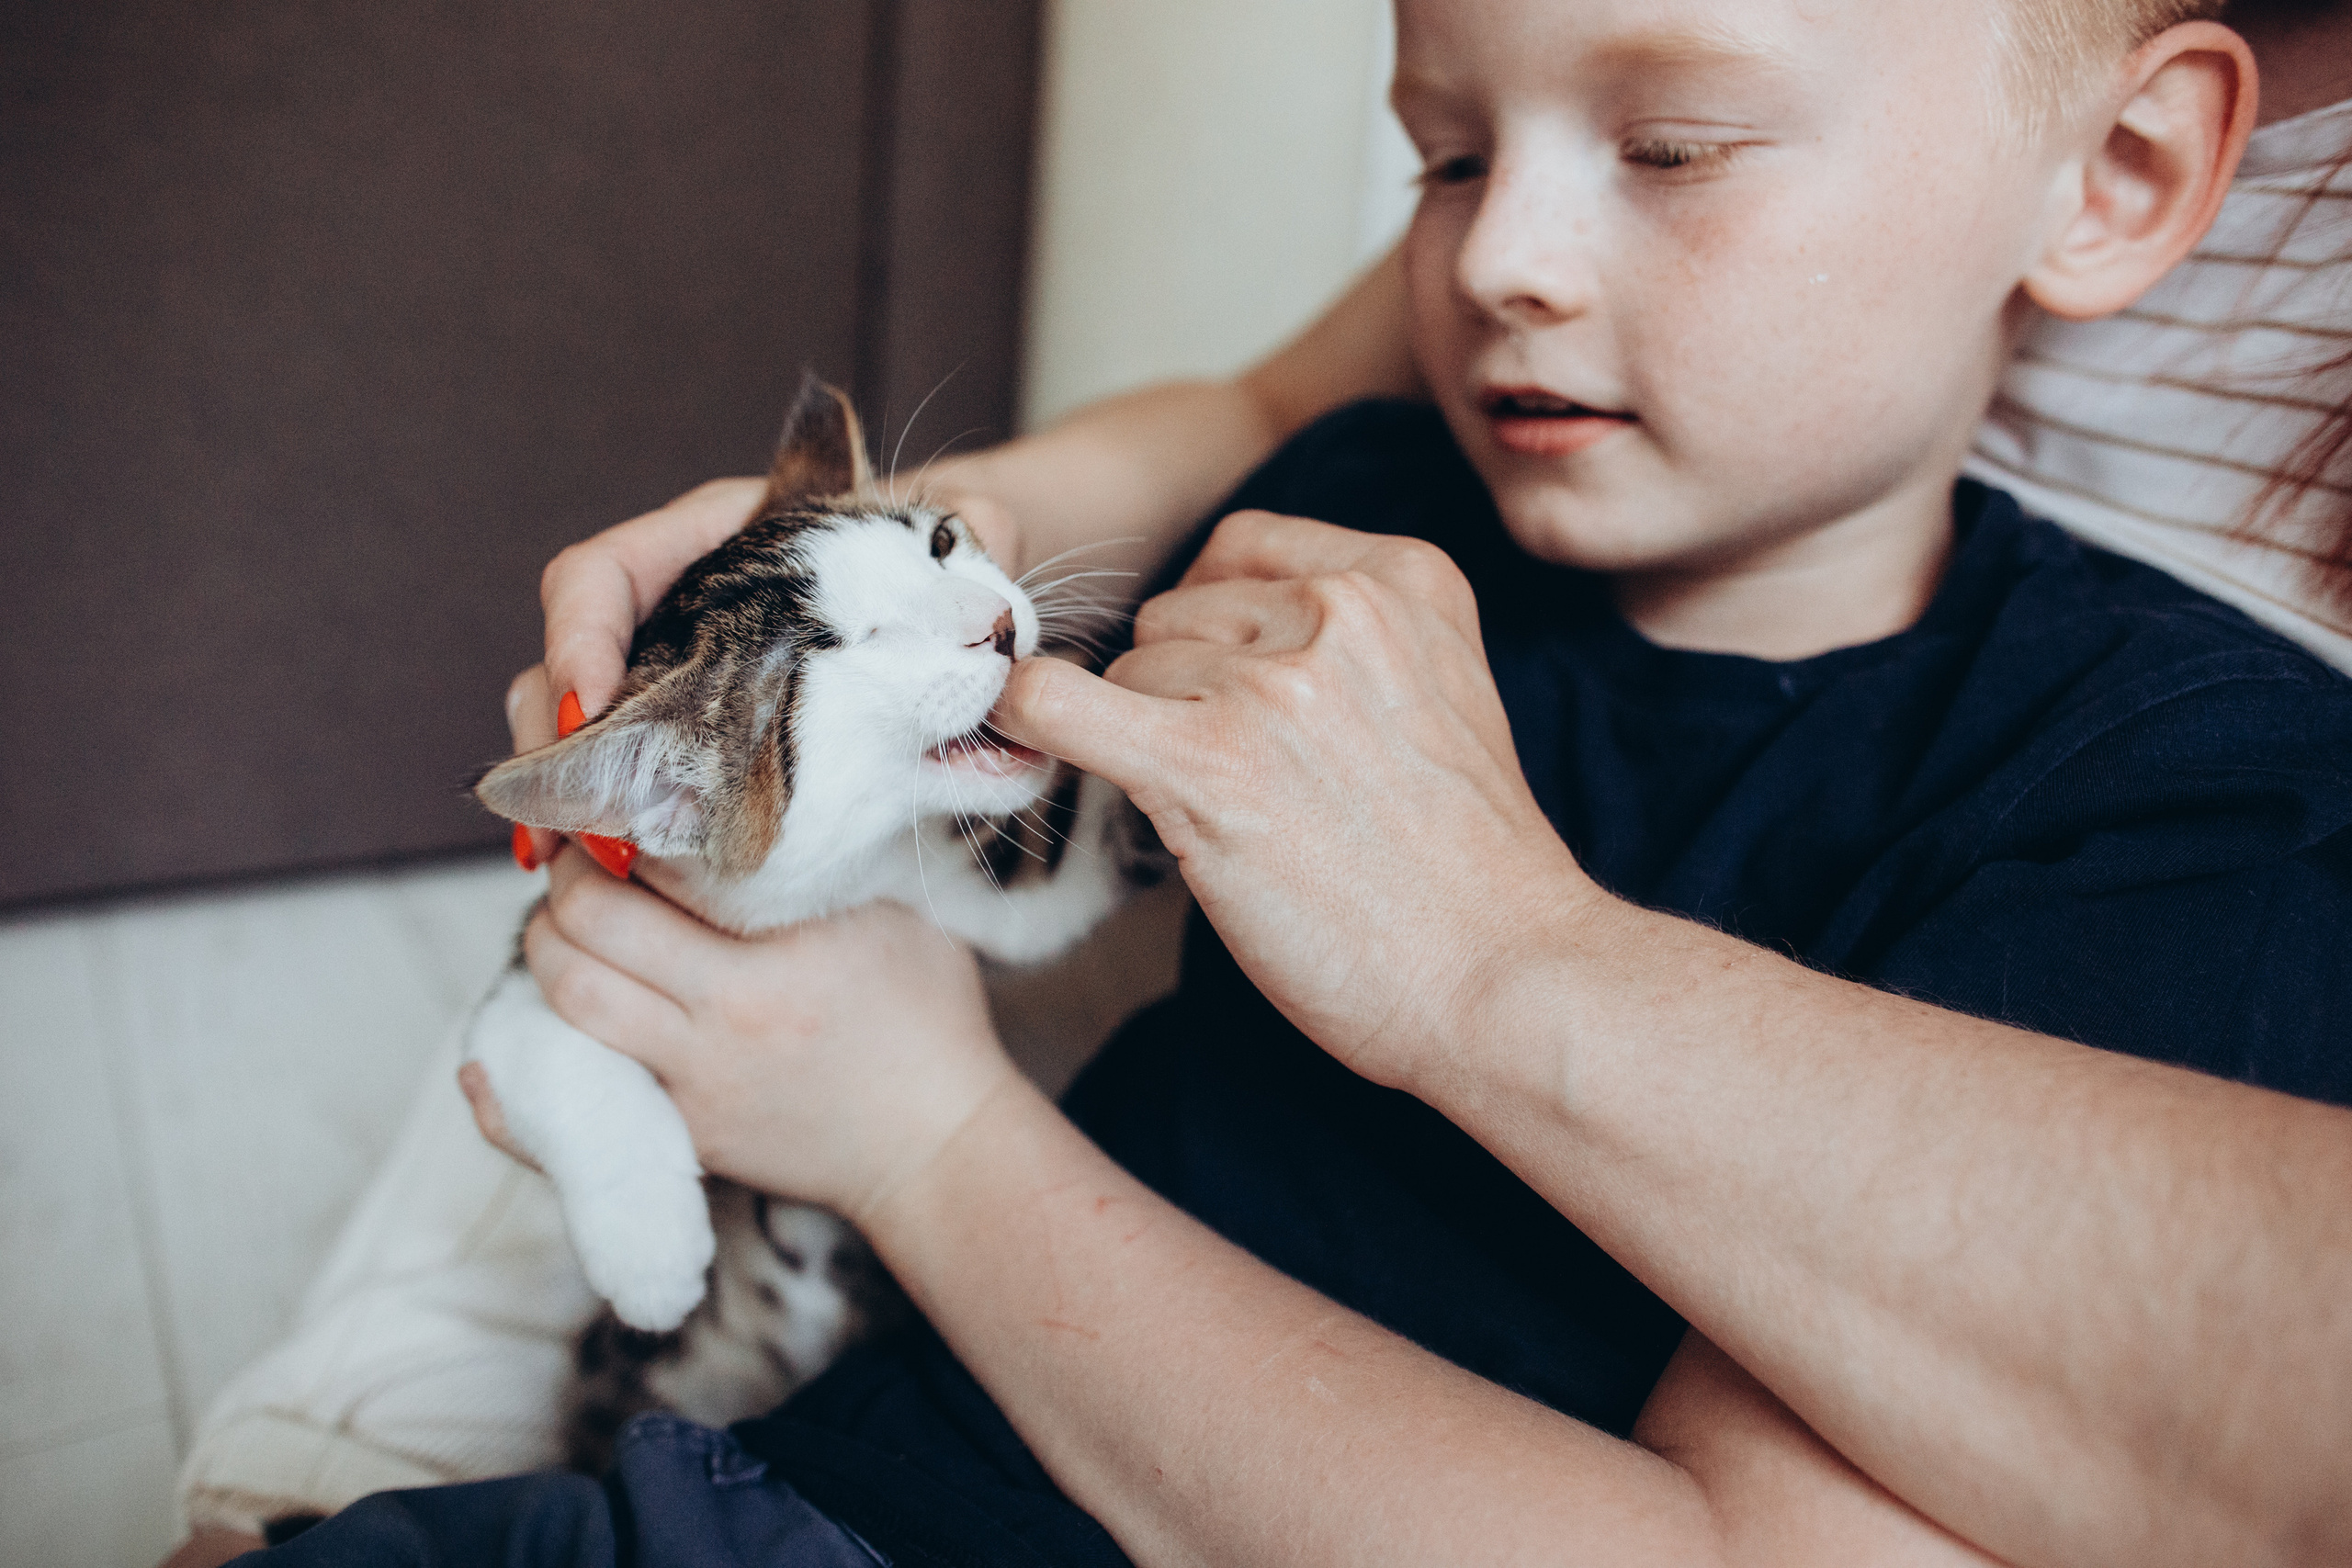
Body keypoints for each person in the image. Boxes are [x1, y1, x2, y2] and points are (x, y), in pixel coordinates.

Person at [172, 0, 2352, 1563]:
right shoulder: (1366, 507)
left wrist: (921, 1125)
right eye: (1442, 155)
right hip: (798, 1471)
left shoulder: (2177, 793)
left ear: (2128, 173)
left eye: (1672, 144)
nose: (1493, 259)